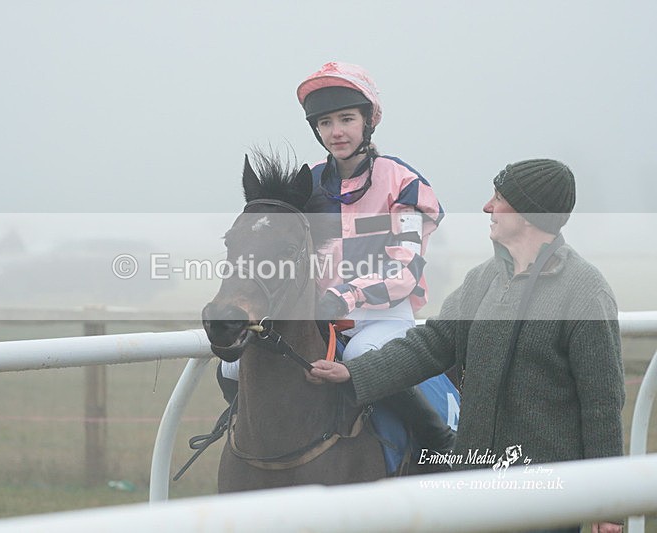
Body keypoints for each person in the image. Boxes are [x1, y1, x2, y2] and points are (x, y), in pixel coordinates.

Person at [310, 159, 625, 533]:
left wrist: (609, 507)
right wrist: (353, 371)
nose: (487, 207)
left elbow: (602, 405)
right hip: (473, 492)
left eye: (498, 198)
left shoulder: (585, 291)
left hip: (546, 501)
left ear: (527, 214)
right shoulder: (483, 280)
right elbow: (429, 345)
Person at [218, 61, 457, 466]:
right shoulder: (305, 183)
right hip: (317, 317)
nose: (337, 132)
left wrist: (344, 296)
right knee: (231, 369)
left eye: (347, 119)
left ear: (369, 121)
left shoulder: (404, 182)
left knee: (362, 355)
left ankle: (438, 443)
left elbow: (405, 271)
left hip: (381, 316)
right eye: (326, 123)